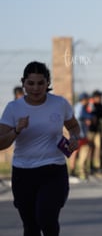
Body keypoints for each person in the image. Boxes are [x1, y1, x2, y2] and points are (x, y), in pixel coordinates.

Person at [0, 61, 80, 236]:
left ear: (48, 83)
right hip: (23, 172)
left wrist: (74, 138)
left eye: (40, 83)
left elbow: (73, 126)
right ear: (23, 83)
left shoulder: (59, 103)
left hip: (53, 170)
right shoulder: (13, 108)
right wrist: (17, 130)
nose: (35, 88)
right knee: (30, 226)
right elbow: (1, 143)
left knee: (46, 218)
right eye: (31, 83)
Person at [70, 92, 92, 181]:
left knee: (83, 152)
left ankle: (80, 172)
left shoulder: (82, 107)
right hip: (79, 134)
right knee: (75, 153)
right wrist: (88, 117)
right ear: (84, 99)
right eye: (87, 100)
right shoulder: (80, 106)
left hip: (81, 134)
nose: (88, 101)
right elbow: (78, 116)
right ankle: (73, 172)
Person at [88, 90, 102, 174]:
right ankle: (90, 166)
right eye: (99, 97)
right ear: (94, 97)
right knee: (90, 149)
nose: (100, 98)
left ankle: (98, 166)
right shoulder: (91, 104)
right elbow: (89, 113)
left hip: (97, 130)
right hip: (90, 130)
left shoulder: (100, 106)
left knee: (99, 147)